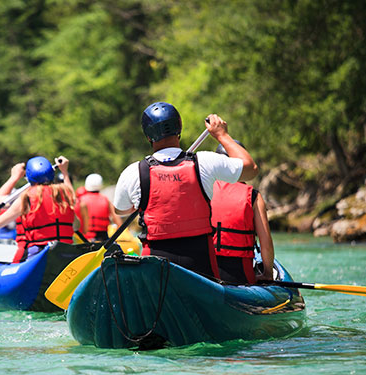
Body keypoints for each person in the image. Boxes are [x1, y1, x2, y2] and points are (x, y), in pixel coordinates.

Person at [113, 102, 258, 278]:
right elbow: (251, 168)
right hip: (201, 266)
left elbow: (120, 210)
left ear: (148, 137)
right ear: (179, 129)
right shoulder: (205, 162)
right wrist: (222, 135)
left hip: (156, 267)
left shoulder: (133, 172)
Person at [0, 156, 76, 261]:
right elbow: (73, 197)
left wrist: (14, 177)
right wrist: (65, 172)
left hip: (39, 252)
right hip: (66, 250)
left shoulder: (27, 197)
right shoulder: (64, 193)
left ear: (29, 177)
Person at [211, 143, 274, 284]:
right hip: (240, 274)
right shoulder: (253, 196)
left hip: (205, 271)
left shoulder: (203, 189)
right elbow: (266, 243)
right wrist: (268, 273)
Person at [79, 173, 122, 241]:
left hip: (85, 238)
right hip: (103, 238)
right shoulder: (106, 200)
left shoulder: (81, 200)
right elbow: (119, 223)